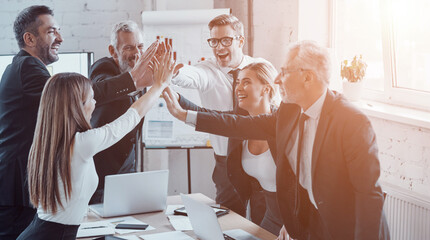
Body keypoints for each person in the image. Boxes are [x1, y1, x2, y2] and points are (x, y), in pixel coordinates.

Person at [163, 40, 390, 240]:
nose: (278, 79)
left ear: (307, 77)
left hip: (347, 231)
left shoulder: (351, 120)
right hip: (311, 228)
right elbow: (240, 124)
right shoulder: (290, 111)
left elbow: (368, 195)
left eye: (285, 71)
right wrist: (185, 115)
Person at [0, 5, 158, 239]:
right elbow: (72, 97)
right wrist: (134, 80)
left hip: (15, 192)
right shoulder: (28, 68)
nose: (60, 38)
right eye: (52, 31)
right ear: (29, 38)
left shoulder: (23, 67)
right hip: (13, 194)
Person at [17, 48, 174, 239]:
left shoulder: (47, 142)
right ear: (77, 106)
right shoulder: (81, 144)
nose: (95, 103)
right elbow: (131, 117)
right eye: (91, 98)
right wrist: (159, 85)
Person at [171, 14, 271, 216]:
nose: (219, 47)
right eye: (214, 41)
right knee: (228, 219)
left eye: (226, 40)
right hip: (227, 162)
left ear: (240, 40)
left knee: (264, 220)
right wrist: (174, 72)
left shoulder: (259, 67)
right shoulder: (207, 70)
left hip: (260, 157)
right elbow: (191, 76)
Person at [169, 62, 284, 235]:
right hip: (271, 214)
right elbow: (214, 117)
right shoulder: (240, 122)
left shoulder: (280, 123)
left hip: (290, 217)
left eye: (246, 82)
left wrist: (292, 224)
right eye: (237, 82)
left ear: (266, 89)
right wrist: (174, 97)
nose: (238, 88)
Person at [88, 20, 146, 204]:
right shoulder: (102, 68)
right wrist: (138, 79)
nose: (137, 53)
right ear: (113, 51)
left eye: (140, 46)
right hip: (101, 174)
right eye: (129, 47)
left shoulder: (139, 72)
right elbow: (100, 87)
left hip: (127, 169)